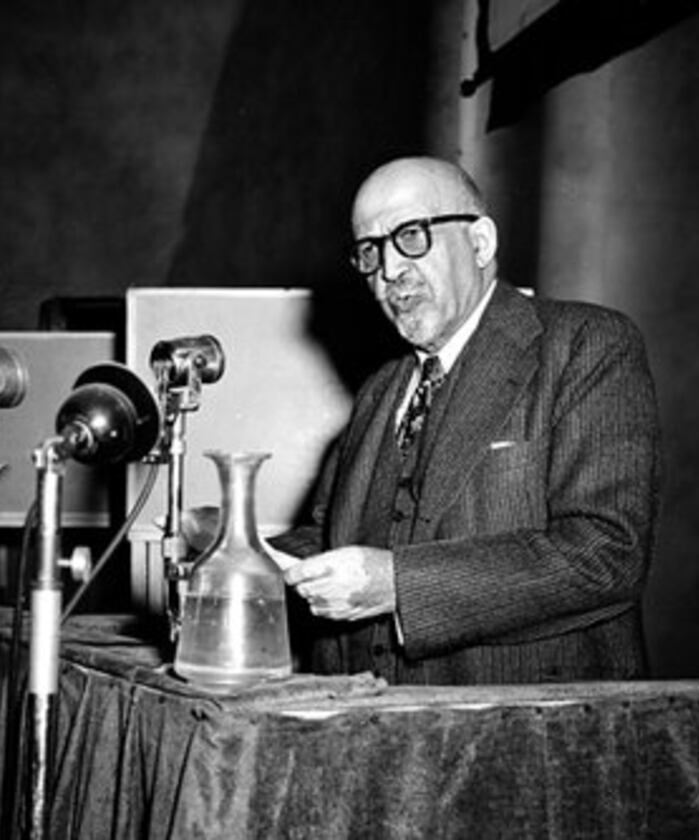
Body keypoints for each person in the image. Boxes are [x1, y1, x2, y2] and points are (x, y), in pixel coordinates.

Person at [266, 156, 662, 684]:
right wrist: (246, 564)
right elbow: (335, 536)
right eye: (370, 250)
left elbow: (605, 553)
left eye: (411, 236)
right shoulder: (382, 389)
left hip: (528, 735)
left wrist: (399, 585)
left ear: (480, 243)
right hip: (371, 734)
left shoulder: (587, 345)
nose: (389, 271)